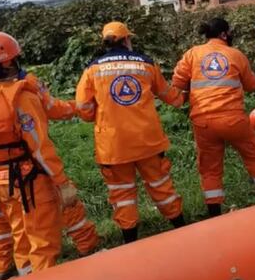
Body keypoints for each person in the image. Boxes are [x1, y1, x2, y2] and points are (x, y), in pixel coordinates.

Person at [0, 58, 100, 280]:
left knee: (13, 229)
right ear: (12, 61)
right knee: (43, 236)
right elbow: (40, 145)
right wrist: (62, 182)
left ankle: (11, 274)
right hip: (28, 173)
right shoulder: (23, 92)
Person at [75, 21, 186, 244]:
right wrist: (186, 94)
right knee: (161, 186)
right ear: (126, 40)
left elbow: (83, 108)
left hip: (113, 146)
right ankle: (181, 230)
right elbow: (169, 95)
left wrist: (95, 115)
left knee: (122, 194)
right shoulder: (146, 64)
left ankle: (130, 242)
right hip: (148, 141)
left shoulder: (92, 69)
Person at [172, 18, 255, 217]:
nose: (231, 34)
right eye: (229, 31)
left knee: (210, 169)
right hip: (233, 120)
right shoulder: (236, 54)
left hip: (203, 122)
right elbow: (251, 85)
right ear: (223, 34)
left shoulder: (193, 53)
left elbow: (177, 81)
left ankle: (214, 214)